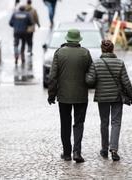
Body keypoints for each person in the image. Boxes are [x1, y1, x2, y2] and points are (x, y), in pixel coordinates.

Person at [86, 40, 132, 161]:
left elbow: (90, 81)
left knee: (104, 122)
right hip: (117, 97)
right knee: (116, 122)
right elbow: (126, 82)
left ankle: (104, 149)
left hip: (102, 97)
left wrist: (87, 75)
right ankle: (113, 149)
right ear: (113, 49)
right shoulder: (120, 63)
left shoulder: (96, 63)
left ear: (102, 49)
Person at [47, 29, 92, 163]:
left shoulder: (59, 53)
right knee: (79, 123)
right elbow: (91, 72)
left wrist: (51, 95)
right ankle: (77, 152)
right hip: (81, 95)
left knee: (65, 124)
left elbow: (53, 76)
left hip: (64, 96)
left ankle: (67, 153)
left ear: (67, 39)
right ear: (79, 40)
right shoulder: (85, 53)